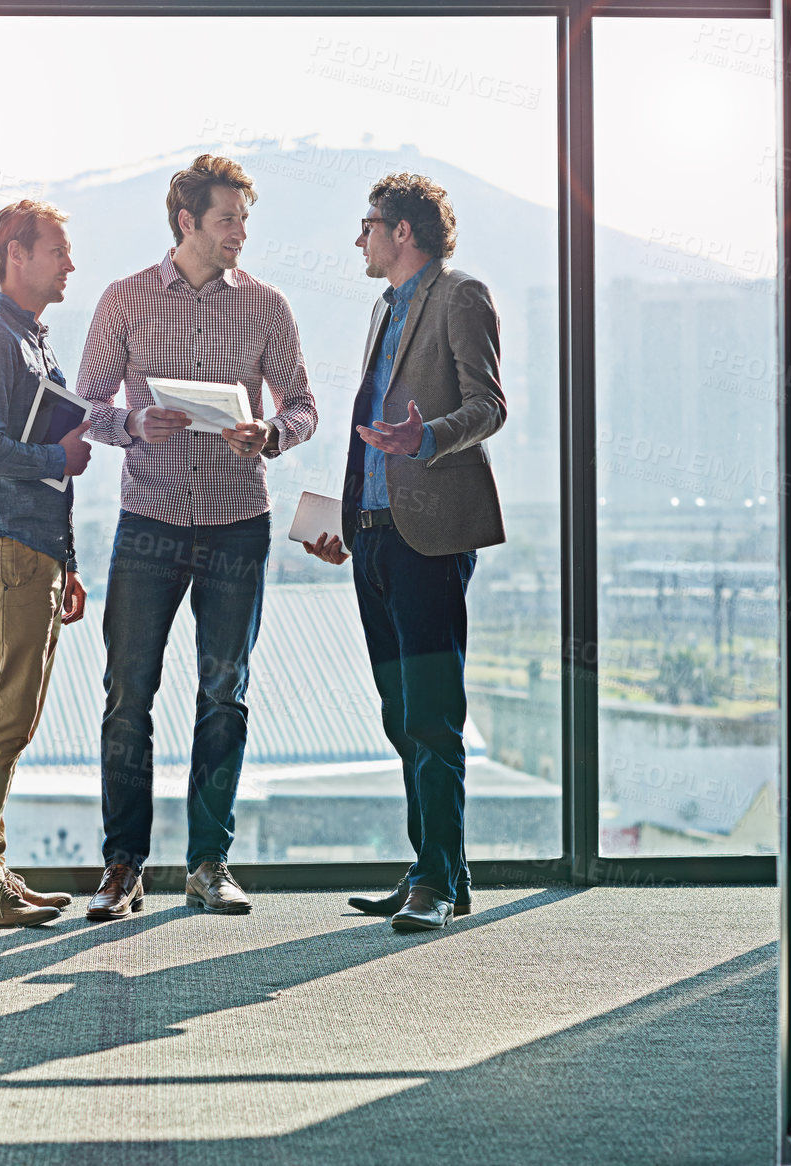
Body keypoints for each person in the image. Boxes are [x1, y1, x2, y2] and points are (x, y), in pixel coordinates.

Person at [75, 155, 317, 920]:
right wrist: (135, 423)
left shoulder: (267, 307)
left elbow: (305, 405)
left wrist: (271, 433)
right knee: (127, 694)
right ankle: (123, 868)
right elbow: (83, 405)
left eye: (243, 220)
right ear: (187, 223)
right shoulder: (126, 299)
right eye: (227, 220)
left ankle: (210, 864)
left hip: (237, 525)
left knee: (224, 694)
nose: (240, 233)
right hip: (147, 522)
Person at [302, 173, 507, 933]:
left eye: (369, 225)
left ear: (403, 233)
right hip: (378, 534)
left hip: (431, 536)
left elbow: (489, 404)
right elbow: (370, 431)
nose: (360, 238)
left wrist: (427, 437)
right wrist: (347, 522)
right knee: (400, 715)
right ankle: (438, 868)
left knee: (432, 715)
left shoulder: (460, 296)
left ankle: (436, 882)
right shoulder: (384, 308)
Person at [0, 200, 93, 928]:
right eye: (58, 251)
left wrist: (66, 562)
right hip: (3, 543)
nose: (70, 264)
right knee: (3, 717)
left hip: (32, 549)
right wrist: (58, 457)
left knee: (16, 718)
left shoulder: (33, 341)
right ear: (16, 254)